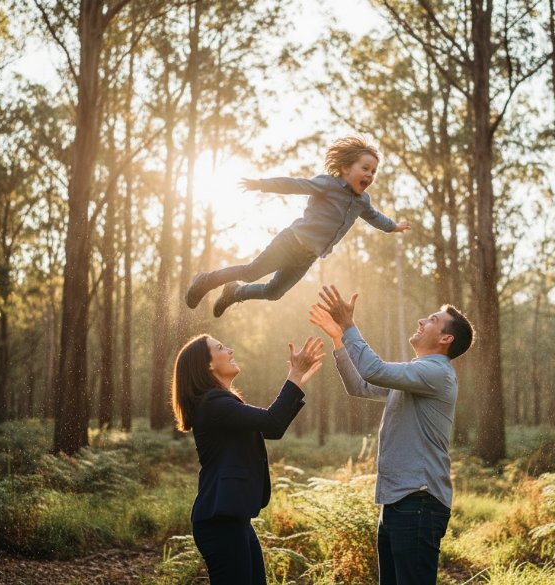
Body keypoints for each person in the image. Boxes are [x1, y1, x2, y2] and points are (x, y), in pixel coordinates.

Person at [308, 285, 474, 585]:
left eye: (432, 320)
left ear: (445, 338)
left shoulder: (435, 373)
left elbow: (373, 370)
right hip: (400, 500)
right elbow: (361, 386)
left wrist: (349, 327)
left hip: (419, 502)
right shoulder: (417, 372)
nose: (422, 321)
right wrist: (338, 338)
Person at [185, 135, 411, 317]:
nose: (370, 175)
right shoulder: (328, 184)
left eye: (373, 171)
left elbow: (375, 217)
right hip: (291, 242)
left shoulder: (363, 201)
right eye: (365, 168)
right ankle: (206, 280)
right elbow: (296, 185)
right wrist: (262, 184)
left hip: (308, 257)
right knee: (251, 272)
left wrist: (394, 227)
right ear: (345, 168)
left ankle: (235, 293)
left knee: (274, 292)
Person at [171, 333, 325, 584]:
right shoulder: (214, 404)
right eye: (221, 347)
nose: (230, 350)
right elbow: (272, 421)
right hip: (220, 523)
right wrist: (294, 378)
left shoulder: (219, 403)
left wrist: (295, 383)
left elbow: (271, 428)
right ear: (207, 365)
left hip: (232, 519)